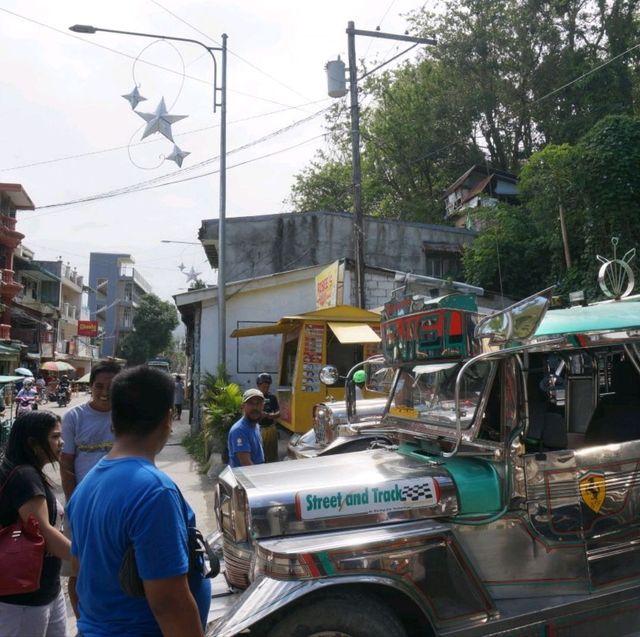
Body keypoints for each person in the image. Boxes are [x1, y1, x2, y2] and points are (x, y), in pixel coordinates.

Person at [67, 365, 211, 637]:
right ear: (168, 419)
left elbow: (78, 576)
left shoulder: (86, 487)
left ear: (113, 420)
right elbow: (169, 603)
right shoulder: (154, 492)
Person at [0, 411, 71, 637]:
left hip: (43, 590)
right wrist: (91, 558)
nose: (62, 443)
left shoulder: (20, 469)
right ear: (33, 443)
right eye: (54, 437)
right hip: (24, 600)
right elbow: (45, 534)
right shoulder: (25, 476)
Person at [228, 388, 265, 468]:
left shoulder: (255, 426)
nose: (255, 407)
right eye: (251, 403)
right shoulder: (239, 430)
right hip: (246, 478)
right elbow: (246, 464)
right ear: (243, 406)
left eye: (258, 403)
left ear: (263, 406)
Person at [256, 373, 280, 463]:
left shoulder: (272, 398)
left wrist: (269, 415)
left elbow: (278, 413)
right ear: (258, 386)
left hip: (270, 429)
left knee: (271, 455)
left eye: (267, 387)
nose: (265, 389)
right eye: (263, 387)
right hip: (257, 430)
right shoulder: (254, 398)